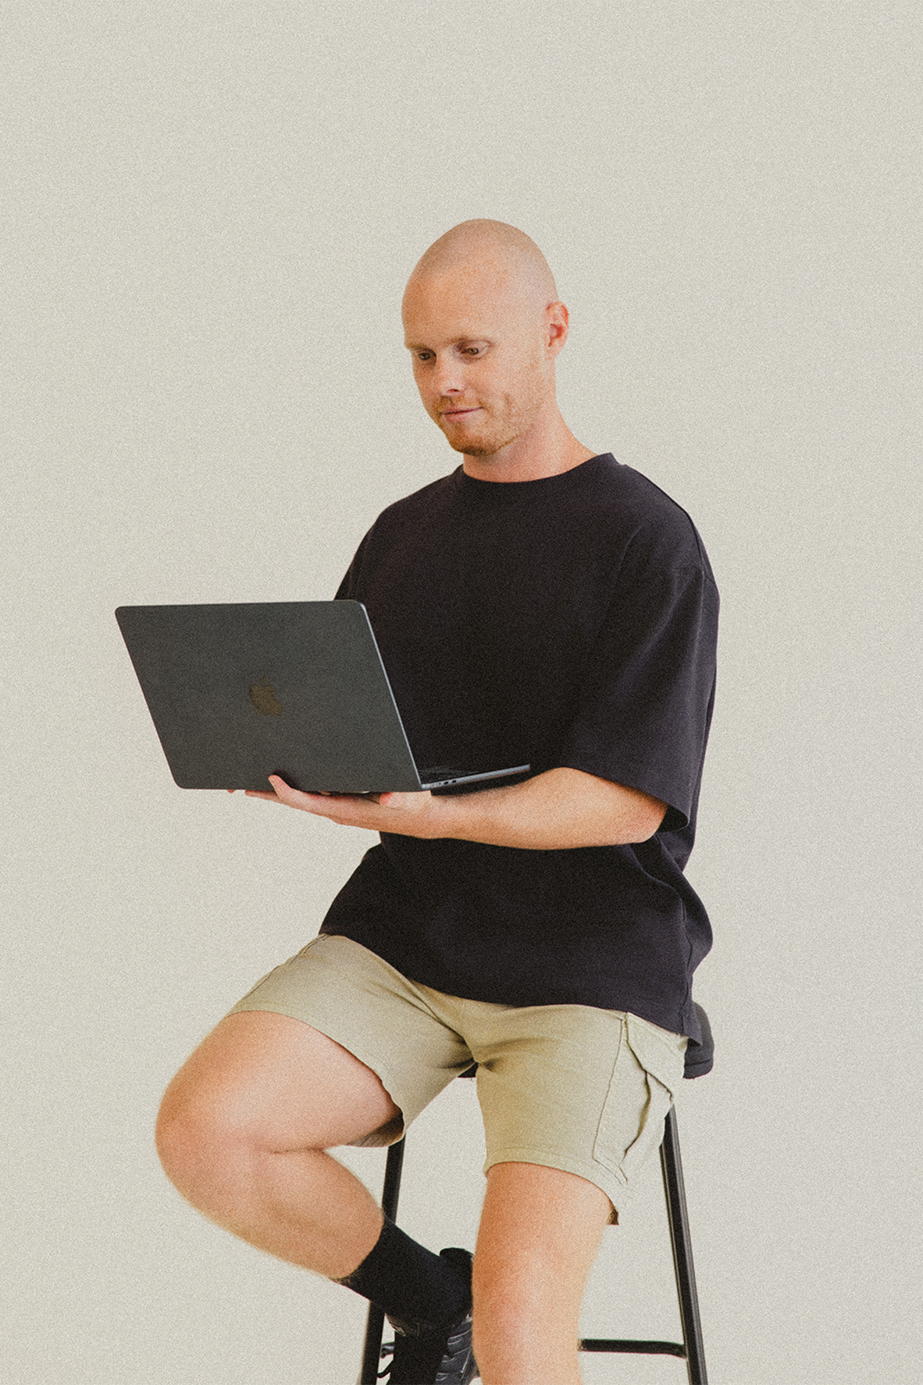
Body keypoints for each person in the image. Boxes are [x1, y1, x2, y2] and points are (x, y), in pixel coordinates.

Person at [156, 219, 719, 1385]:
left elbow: (622, 802)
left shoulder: (646, 540)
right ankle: (430, 1303)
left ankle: (480, 1320)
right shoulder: (403, 532)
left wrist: (440, 815)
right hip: (410, 936)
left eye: (471, 348)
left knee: (525, 1332)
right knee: (205, 1130)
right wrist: (292, 756)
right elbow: (369, 737)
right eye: (421, 355)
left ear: (551, 331)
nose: (444, 381)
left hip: (590, 963)